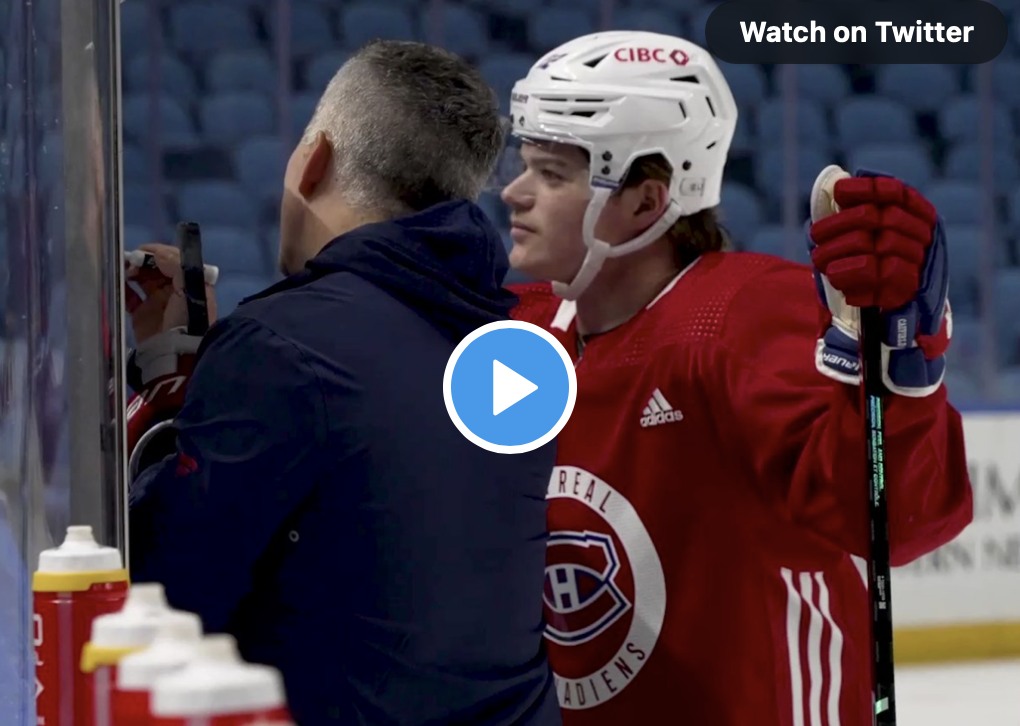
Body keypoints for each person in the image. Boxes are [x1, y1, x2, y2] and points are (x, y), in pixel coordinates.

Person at [500, 31, 973, 726]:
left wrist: (901, 387)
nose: (514, 193)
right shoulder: (524, 330)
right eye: (524, 165)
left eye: (551, 173)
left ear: (645, 201)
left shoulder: (738, 318)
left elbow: (892, 525)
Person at [123, 40, 560, 726]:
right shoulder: (517, 355)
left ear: (313, 157)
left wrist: (161, 379)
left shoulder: (280, 347)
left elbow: (162, 593)